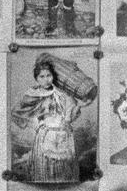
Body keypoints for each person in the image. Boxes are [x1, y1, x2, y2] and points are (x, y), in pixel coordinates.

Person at [11, 55, 82, 184]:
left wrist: (67, 119)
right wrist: (37, 124)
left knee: (64, 167)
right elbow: (17, 112)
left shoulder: (61, 93)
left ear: (53, 76)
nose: (46, 80)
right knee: (45, 167)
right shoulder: (33, 95)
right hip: (45, 134)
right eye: (41, 77)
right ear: (36, 79)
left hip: (63, 133)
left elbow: (71, 108)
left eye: (48, 75)